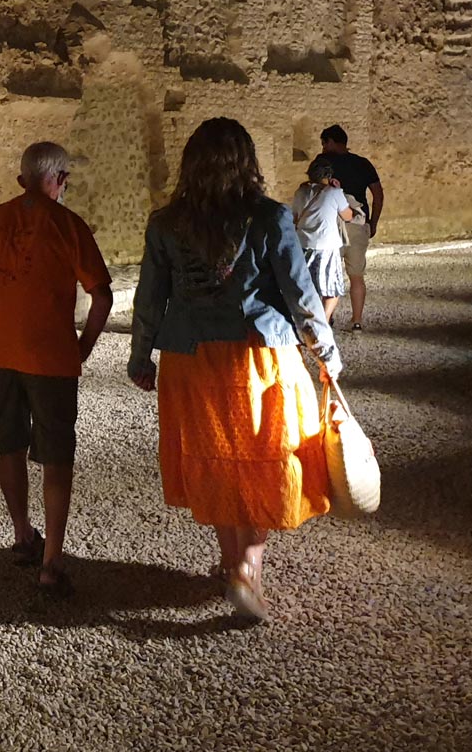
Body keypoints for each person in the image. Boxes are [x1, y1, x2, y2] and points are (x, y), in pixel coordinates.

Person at [127, 117, 343, 623]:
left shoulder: (166, 223)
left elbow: (149, 298)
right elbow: (300, 293)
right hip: (257, 356)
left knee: (217, 462)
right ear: (247, 161)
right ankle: (247, 567)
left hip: (191, 360)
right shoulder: (268, 217)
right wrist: (325, 353)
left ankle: (232, 564)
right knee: (264, 458)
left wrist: (140, 357)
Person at [0, 141, 113, 594]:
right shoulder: (68, 225)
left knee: (10, 447)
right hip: (52, 359)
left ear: (22, 181)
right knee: (56, 458)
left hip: (0, 356)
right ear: (60, 179)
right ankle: (51, 561)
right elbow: (101, 295)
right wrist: (83, 346)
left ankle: (22, 534)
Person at [309, 124, 383, 330]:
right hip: (357, 223)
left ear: (332, 141)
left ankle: (327, 317)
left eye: (324, 143)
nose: (323, 147)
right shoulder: (362, 163)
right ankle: (356, 320)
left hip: (330, 225)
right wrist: (373, 222)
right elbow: (378, 194)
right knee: (357, 276)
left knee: (327, 274)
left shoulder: (323, 162)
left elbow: (314, 192)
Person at [288, 160, 357, 322]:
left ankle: (309, 320)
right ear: (329, 175)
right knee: (331, 288)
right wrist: (338, 190)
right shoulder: (334, 193)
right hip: (327, 246)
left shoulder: (301, 192)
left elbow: (295, 217)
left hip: (303, 245)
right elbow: (348, 216)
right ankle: (323, 322)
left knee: (307, 286)